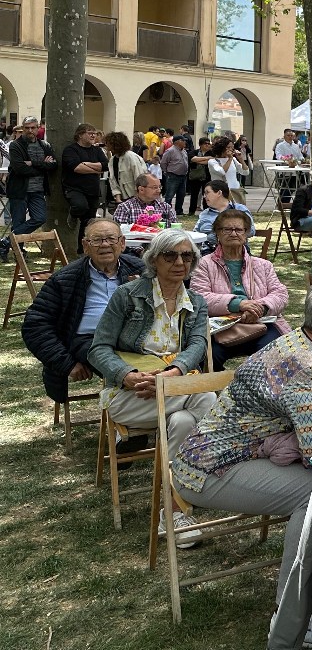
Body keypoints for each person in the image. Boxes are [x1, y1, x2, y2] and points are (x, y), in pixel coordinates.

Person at [172, 276, 312, 645]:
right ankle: (294, 614)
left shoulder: (309, 344)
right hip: (208, 468)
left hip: (236, 452)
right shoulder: (311, 368)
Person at [88, 229, 217, 546]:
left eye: (187, 256)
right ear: (153, 260)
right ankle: (205, 481)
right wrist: (127, 374)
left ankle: (171, 512)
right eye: (170, 256)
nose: (179, 262)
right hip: (131, 395)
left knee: (187, 421)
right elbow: (98, 349)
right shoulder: (128, 296)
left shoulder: (195, 302)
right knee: (208, 397)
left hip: (174, 393)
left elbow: (198, 344)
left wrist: (174, 372)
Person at [22, 219, 144, 405]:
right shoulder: (65, 280)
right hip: (89, 341)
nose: (105, 245)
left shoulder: (141, 270)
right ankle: (130, 426)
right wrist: (66, 363)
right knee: (130, 373)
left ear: (122, 243)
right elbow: (35, 326)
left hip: (136, 338)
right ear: (85, 246)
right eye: (97, 240)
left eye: (111, 239)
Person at [191, 208, 289, 370]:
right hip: (219, 329)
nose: (233, 233)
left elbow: (280, 294)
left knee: (275, 356)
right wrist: (239, 304)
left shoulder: (263, 265)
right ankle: (219, 391)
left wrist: (261, 308)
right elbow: (200, 298)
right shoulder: (204, 264)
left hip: (260, 324)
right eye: (227, 229)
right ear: (217, 233)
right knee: (204, 359)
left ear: (246, 233)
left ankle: (257, 391)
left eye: (238, 229)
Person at [0, 116, 56, 259]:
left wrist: (32, 163)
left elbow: (53, 165)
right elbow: (20, 169)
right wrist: (42, 165)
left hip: (38, 190)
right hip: (19, 190)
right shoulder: (15, 145)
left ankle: (6, 242)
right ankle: (18, 253)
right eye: (27, 128)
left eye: (33, 127)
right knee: (18, 222)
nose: (30, 130)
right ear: (23, 129)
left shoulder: (45, 145)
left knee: (40, 218)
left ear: (38, 128)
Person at [61, 123, 110, 246]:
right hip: (74, 188)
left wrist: (85, 164)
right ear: (80, 135)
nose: (93, 135)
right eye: (90, 133)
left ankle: (82, 250)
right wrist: (96, 169)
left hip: (92, 189)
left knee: (88, 223)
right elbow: (76, 168)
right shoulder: (71, 150)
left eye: (94, 133)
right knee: (80, 206)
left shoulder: (97, 150)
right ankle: (72, 215)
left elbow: (105, 165)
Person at [104, 131, 148, 213]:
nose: (106, 145)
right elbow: (113, 181)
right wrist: (118, 199)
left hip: (135, 197)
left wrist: (138, 199)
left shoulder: (131, 157)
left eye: (108, 143)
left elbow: (140, 178)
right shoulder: (112, 160)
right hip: (123, 200)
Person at [113, 173, 179, 227]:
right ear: (141, 189)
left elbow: (175, 230)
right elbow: (119, 232)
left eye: (160, 187)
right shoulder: (125, 208)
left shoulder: (165, 207)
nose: (159, 190)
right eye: (154, 187)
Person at [204, 137, 249, 205]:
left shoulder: (233, 159)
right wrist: (230, 158)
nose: (231, 149)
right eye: (228, 147)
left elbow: (245, 172)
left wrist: (241, 159)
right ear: (222, 148)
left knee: (237, 213)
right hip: (221, 192)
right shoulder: (213, 162)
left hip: (235, 191)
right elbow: (222, 172)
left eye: (232, 147)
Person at [157, 133, 189, 212]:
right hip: (173, 176)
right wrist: (167, 172)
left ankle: (179, 211)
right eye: (183, 141)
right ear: (178, 141)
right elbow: (163, 163)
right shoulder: (170, 151)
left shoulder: (184, 151)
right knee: (169, 195)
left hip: (183, 176)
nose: (185, 142)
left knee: (181, 194)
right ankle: (166, 211)